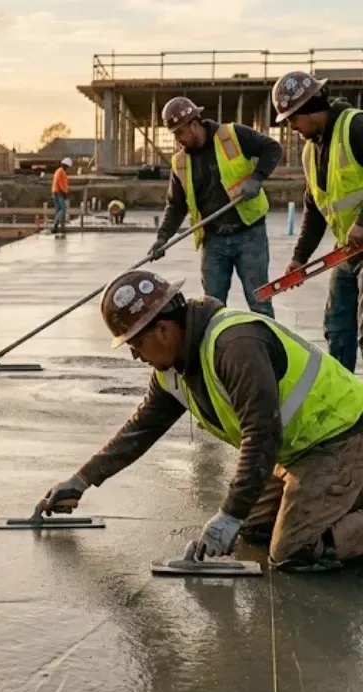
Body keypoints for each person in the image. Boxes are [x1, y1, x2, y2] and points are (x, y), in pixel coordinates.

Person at [39, 269, 363, 573]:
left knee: (293, 551)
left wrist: (228, 515)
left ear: (162, 330)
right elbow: (140, 430)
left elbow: (261, 434)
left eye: (135, 344)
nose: (135, 355)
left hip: (342, 435)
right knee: (254, 528)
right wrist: (81, 480)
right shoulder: (172, 370)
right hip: (298, 449)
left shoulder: (234, 345)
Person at [148, 96, 283, 318]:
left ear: (194, 124)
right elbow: (176, 205)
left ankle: (267, 339)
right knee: (212, 307)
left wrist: (257, 177)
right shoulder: (180, 163)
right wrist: (162, 237)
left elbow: (273, 148)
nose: (178, 140)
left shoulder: (233, 135)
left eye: (179, 133)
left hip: (249, 234)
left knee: (260, 303)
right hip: (213, 240)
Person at [273, 70, 363, 373]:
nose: (291, 126)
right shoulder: (310, 152)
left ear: (309, 108)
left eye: (292, 119)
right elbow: (315, 210)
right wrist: (300, 258)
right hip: (349, 250)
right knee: (337, 328)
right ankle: (347, 394)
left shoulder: (355, 127)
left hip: (359, 241)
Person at [51, 157, 72, 237]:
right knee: (62, 210)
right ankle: (55, 226)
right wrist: (65, 192)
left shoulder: (57, 171)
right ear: (66, 165)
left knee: (58, 210)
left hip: (55, 192)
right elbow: (60, 183)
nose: (68, 168)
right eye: (68, 166)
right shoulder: (62, 172)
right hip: (59, 193)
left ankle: (58, 227)